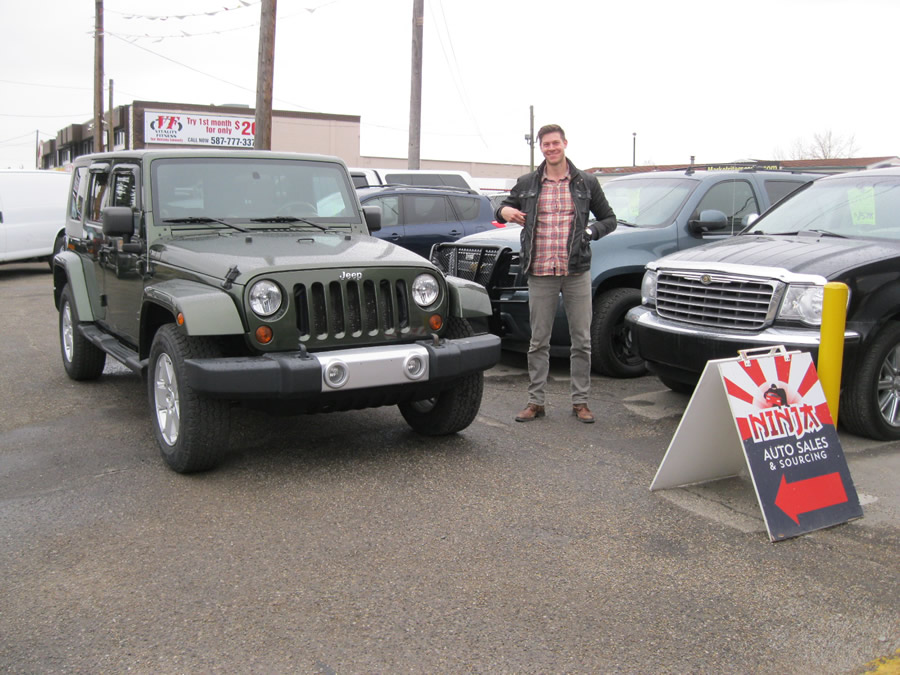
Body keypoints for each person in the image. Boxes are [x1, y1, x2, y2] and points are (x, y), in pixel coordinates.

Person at [496, 124, 617, 424]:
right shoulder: (527, 183)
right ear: (541, 148)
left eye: (555, 143)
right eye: (546, 144)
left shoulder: (586, 182)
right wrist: (503, 212)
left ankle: (581, 402)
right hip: (540, 271)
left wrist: (590, 232)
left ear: (565, 144)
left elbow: (609, 219)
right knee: (538, 341)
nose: (551, 148)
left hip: (576, 271)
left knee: (582, 341)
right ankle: (535, 402)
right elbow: (503, 208)